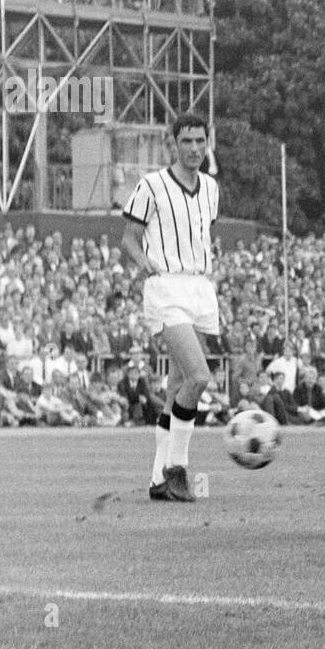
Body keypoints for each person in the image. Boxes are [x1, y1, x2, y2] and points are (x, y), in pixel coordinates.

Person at [121, 114, 221, 502]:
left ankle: (157, 480)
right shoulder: (152, 185)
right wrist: (145, 263)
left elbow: (202, 234)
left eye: (200, 140)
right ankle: (176, 467)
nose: (194, 148)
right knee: (199, 378)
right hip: (166, 287)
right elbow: (128, 238)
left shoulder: (211, 188)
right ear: (172, 143)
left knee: (178, 384)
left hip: (198, 285)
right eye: (187, 141)